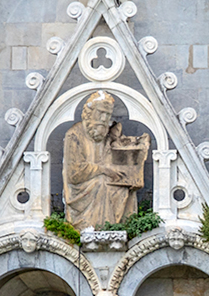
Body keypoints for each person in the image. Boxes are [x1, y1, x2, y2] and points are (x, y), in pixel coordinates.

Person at [62, 91, 149, 229]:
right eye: (100, 112)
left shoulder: (105, 133)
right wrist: (104, 170)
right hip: (83, 187)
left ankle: (120, 228)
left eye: (107, 114)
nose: (104, 118)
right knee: (102, 183)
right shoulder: (74, 135)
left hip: (103, 177)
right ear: (89, 113)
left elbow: (115, 150)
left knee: (125, 185)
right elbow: (73, 173)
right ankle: (95, 227)